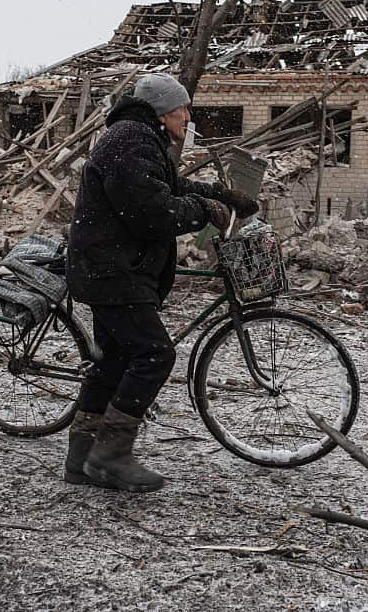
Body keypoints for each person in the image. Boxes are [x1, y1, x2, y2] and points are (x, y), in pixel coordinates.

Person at [64, 73, 259, 493]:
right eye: (182, 109)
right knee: (154, 355)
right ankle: (110, 456)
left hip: (112, 267)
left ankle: (81, 458)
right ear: (161, 111)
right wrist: (203, 210)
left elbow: (169, 186)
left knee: (112, 362)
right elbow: (151, 213)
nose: (187, 117)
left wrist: (220, 194)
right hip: (113, 270)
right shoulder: (130, 141)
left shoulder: (136, 138)